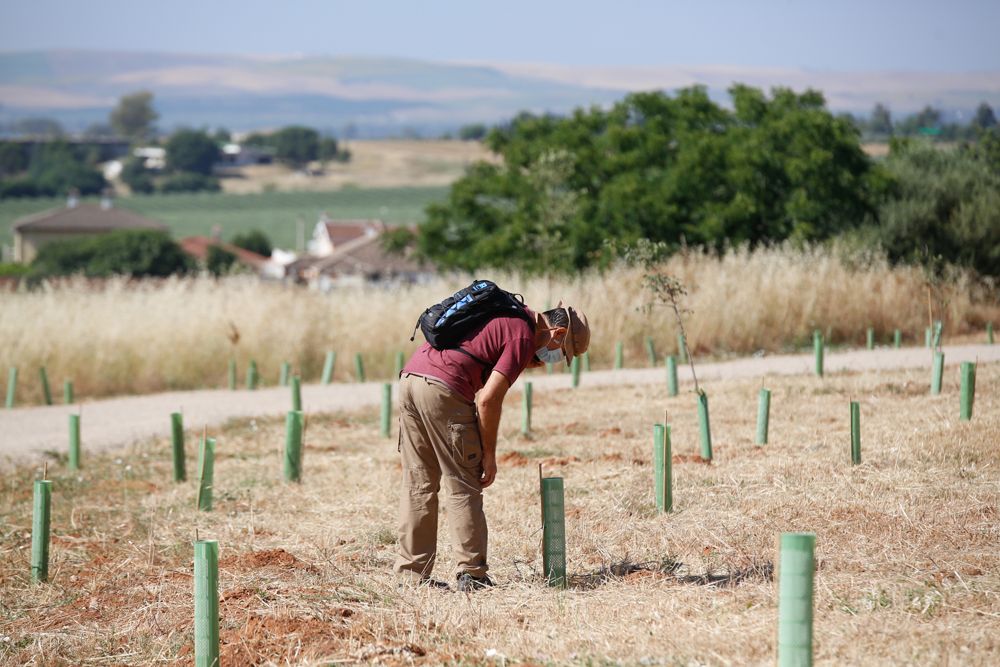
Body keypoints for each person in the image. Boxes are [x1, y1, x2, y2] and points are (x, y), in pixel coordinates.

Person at [394, 300, 590, 591]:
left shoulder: (505, 312)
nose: (554, 360)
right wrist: (488, 454)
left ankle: (411, 575)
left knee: (419, 483)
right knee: (464, 482)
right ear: (558, 334)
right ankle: (472, 575)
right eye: (562, 354)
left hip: (411, 379)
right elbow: (488, 399)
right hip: (443, 388)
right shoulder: (523, 334)